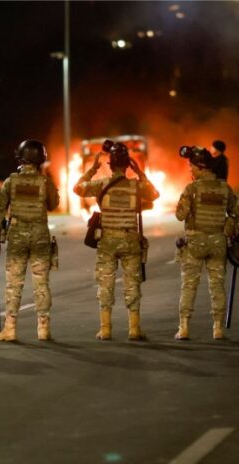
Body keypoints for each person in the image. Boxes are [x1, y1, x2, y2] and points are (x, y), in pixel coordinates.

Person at [73, 142, 159, 341]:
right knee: (132, 284)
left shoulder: (101, 184)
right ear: (128, 165)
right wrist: (140, 173)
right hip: (130, 240)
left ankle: (105, 329)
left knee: (105, 283)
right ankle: (134, 329)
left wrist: (93, 169)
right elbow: (154, 194)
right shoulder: (136, 186)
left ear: (109, 165)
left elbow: (78, 188)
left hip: (107, 241)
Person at [0, 140, 59, 342]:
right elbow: (54, 204)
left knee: (14, 283)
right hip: (40, 235)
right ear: (41, 160)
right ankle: (43, 329)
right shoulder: (45, 182)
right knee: (41, 283)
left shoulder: (11, 181)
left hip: (17, 235)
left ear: (21, 158)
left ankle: (10, 329)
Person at [174, 146, 239, 340]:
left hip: (195, 243)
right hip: (218, 242)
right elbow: (234, 214)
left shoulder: (192, 188)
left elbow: (180, 215)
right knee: (217, 285)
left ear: (201, 168)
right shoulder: (225, 187)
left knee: (188, 286)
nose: (190, 171)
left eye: (191, 167)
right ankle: (218, 328)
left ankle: (184, 328)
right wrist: (226, 230)